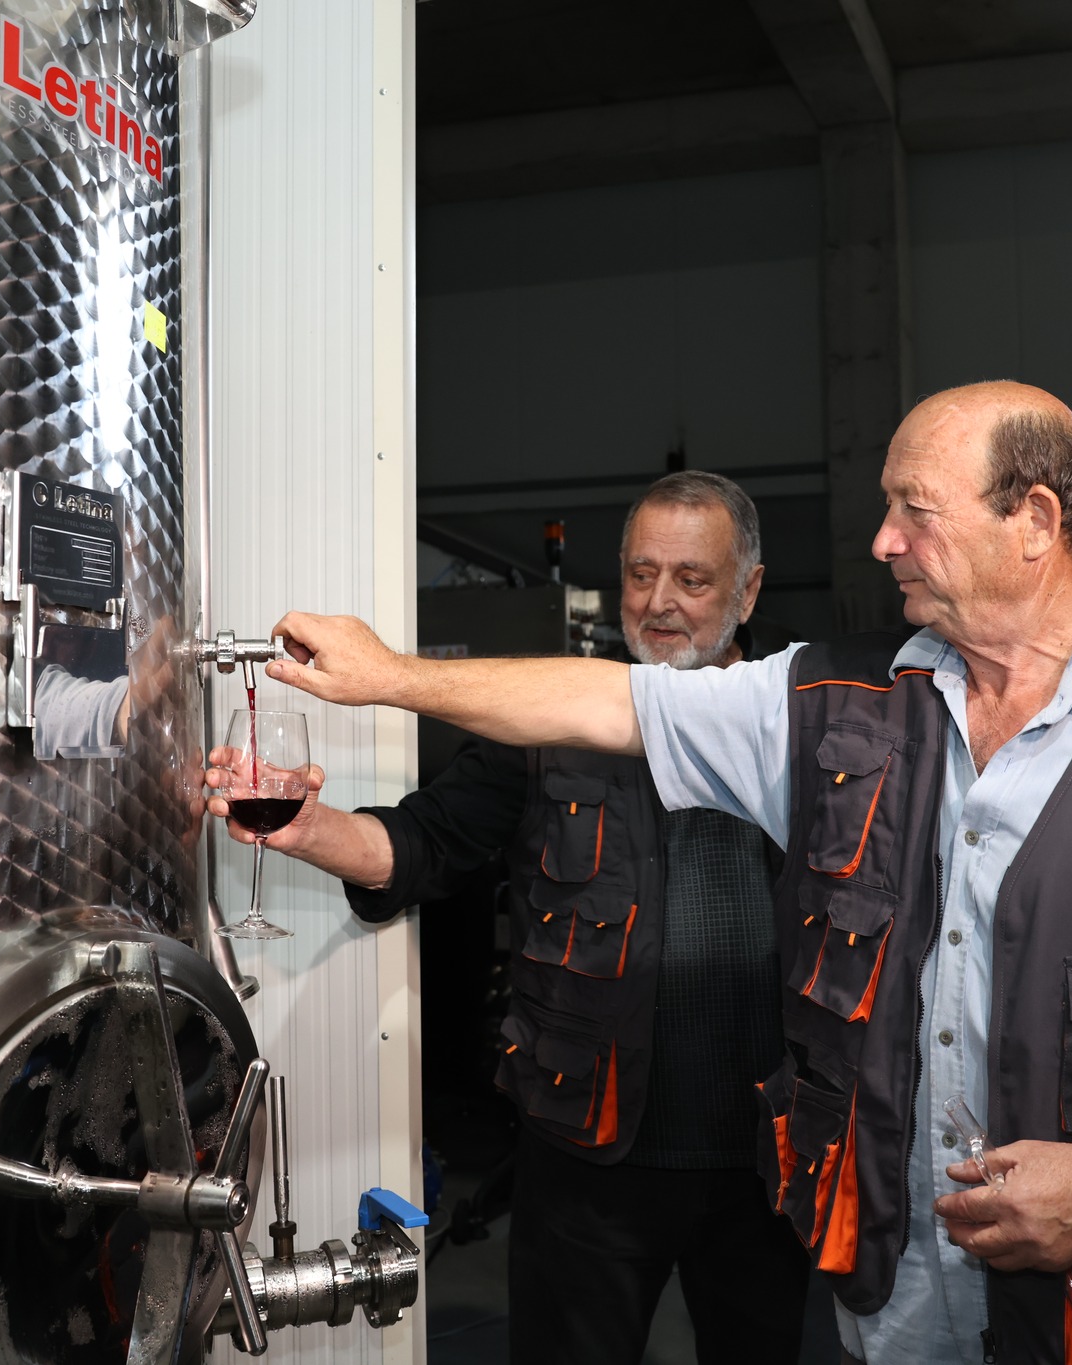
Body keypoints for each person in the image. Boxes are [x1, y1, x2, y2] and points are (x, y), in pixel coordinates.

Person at [255, 382, 1072, 1365]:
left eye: (913, 510)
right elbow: (610, 702)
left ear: (1033, 522)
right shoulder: (840, 704)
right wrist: (389, 675)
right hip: (895, 1294)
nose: (881, 541)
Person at [208, 471, 809, 1365]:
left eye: (692, 579)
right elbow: (419, 845)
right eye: (641, 574)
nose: (659, 602)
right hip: (586, 1160)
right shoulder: (546, 723)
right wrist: (308, 827)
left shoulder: (806, 724)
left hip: (772, 1162)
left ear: (749, 590)